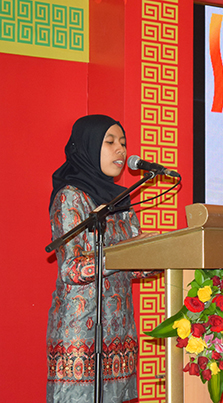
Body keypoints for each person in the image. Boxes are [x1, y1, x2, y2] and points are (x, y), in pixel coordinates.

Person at [46, 115, 158, 403]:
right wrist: (121, 253)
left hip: (119, 331)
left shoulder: (120, 200)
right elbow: (72, 269)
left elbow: (133, 267)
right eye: (110, 142)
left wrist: (161, 253)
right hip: (81, 330)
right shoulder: (70, 197)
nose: (121, 149)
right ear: (88, 146)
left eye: (123, 142)